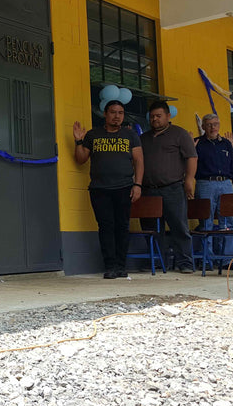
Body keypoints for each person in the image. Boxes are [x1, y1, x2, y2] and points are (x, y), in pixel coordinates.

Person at [73, 100, 143, 279]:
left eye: (120, 112)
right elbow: (81, 159)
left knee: (122, 226)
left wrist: (138, 185)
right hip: (99, 189)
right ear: (105, 114)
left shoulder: (130, 135)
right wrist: (79, 141)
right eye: (113, 112)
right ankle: (110, 266)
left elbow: (139, 161)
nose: (117, 116)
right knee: (106, 227)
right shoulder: (93, 134)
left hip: (124, 187)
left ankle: (121, 266)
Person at [139, 101, 197, 274]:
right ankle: (157, 261)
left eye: (158, 116)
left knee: (179, 226)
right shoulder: (144, 138)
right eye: (152, 116)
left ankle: (185, 263)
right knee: (151, 228)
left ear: (168, 116)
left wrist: (189, 180)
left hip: (173, 188)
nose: (155, 119)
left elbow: (192, 158)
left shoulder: (179, 134)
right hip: (148, 190)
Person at [194, 114, 233, 262]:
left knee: (227, 222)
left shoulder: (226, 144)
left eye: (215, 124)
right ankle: (207, 259)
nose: (212, 127)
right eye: (208, 124)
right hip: (205, 183)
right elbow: (191, 167)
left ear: (219, 125)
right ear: (203, 127)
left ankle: (227, 259)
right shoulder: (197, 143)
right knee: (206, 221)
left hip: (226, 183)